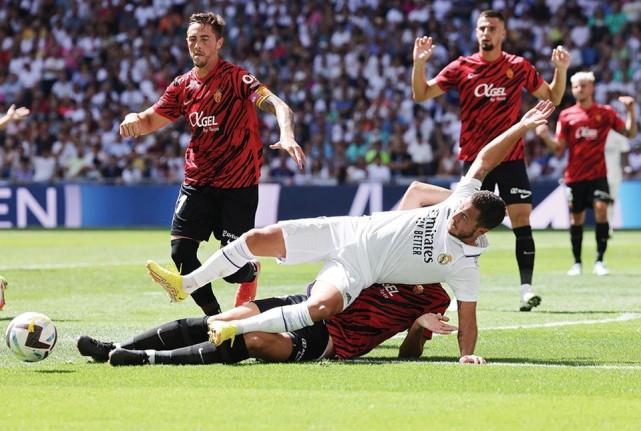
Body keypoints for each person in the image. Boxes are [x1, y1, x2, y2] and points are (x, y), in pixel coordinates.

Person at [146, 101, 555, 363]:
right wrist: (521, 125)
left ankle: (236, 327)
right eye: (459, 209)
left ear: (478, 230)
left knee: (321, 306)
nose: (455, 215)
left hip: (360, 268)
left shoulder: (464, 266)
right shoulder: (460, 200)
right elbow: (483, 160)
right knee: (256, 239)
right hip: (346, 229)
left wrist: (467, 354)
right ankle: (186, 284)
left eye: (463, 218)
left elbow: (468, 317)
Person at [119, 12, 306, 315]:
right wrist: (133, 118)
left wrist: (286, 134)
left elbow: (278, 105)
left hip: (238, 185)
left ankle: (251, 271)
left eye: (205, 39)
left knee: (234, 271)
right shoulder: (182, 86)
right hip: (198, 182)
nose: (197, 45)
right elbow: (149, 119)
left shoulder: (236, 78)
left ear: (218, 43)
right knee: (181, 253)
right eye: (192, 39)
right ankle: (216, 320)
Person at [411, 10, 571, 311]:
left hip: (511, 157)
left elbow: (553, 96)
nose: (486, 33)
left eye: (492, 28)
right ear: (476, 32)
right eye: (482, 28)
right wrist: (419, 64)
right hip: (475, 161)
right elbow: (421, 94)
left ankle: (526, 290)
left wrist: (560, 70)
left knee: (522, 219)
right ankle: (453, 292)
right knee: (462, 225)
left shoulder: (518, 66)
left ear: (503, 33)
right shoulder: (462, 66)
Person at [77, 282, 460, 366]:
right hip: (307, 304)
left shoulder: (436, 298)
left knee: (255, 340)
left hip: (334, 338)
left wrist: (417, 326)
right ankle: (116, 348)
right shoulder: (391, 253)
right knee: (221, 320)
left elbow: (409, 354)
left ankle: (145, 358)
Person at [535, 71, 637, 276]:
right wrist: (545, 137)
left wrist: (631, 112)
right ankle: (577, 263)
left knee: (601, 210)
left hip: (599, 175)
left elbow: (629, 133)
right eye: (576, 86)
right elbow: (558, 148)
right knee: (576, 219)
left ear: (592, 88)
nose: (579, 89)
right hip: (575, 176)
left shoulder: (606, 113)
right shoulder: (566, 115)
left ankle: (600, 260)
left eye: (583, 85)